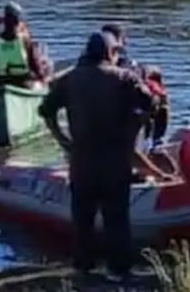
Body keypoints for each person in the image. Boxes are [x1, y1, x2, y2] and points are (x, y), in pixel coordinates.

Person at [37, 31, 164, 278]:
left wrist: (62, 138)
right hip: (114, 161)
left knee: (82, 219)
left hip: (82, 160)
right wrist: (134, 127)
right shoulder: (124, 78)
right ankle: (119, 270)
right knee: (116, 218)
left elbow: (45, 110)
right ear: (109, 53)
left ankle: (84, 267)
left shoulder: (70, 79)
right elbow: (153, 103)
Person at [0, 1, 46, 95]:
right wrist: (44, 81)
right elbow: (35, 65)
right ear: (18, 21)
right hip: (22, 84)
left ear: (4, 22)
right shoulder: (25, 41)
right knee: (38, 86)